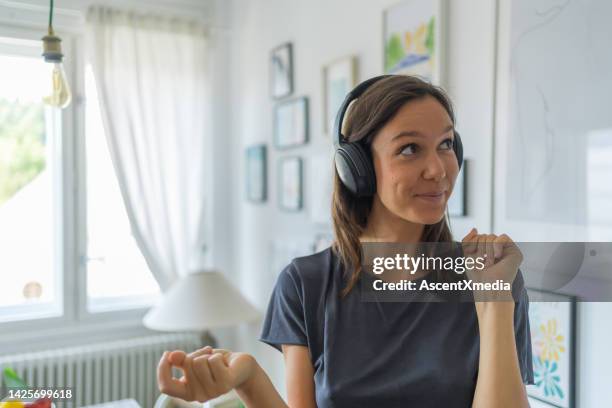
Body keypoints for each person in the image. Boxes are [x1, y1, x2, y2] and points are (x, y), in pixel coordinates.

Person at [157, 75, 534, 408]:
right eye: (409, 148)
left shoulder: (491, 275)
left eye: (446, 144)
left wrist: (494, 303)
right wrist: (249, 378)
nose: (438, 169)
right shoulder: (305, 285)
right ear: (359, 168)